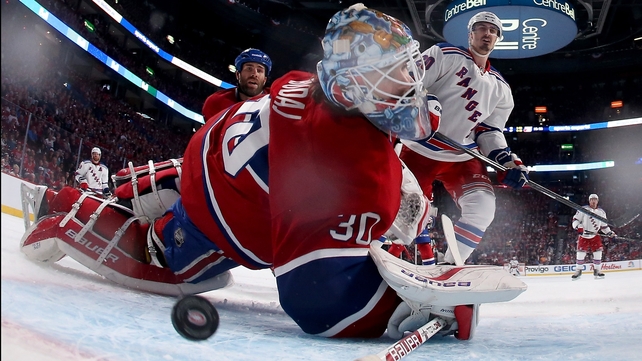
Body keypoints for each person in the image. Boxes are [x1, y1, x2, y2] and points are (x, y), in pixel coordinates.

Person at [20, 4, 524, 341]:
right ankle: (68, 213)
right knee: (189, 276)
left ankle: (153, 187)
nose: (412, 83)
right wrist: (399, 311)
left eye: (409, 68)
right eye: (396, 76)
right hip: (214, 213)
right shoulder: (347, 176)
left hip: (224, 153)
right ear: (351, 91)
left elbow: (316, 135)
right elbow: (318, 302)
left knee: (392, 200)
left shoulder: (308, 82)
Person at [398, 11, 530, 265]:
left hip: (461, 156)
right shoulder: (444, 54)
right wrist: (421, 106)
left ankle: (450, 265)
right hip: (417, 150)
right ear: (470, 34)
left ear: (498, 38)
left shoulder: (501, 89)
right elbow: (407, 83)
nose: (487, 34)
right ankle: (388, 263)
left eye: (493, 31)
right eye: (481, 28)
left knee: (483, 208)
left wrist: (507, 162)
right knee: (403, 214)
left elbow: (489, 131)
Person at [201, 48, 272, 121]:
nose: (254, 74)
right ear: (238, 75)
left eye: (259, 70)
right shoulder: (216, 102)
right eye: (249, 69)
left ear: (264, 80)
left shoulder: (274, 102)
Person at [571, 194, 616, 280]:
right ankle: (578, 271)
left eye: (595, 199)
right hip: (584, 236)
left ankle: (597, 271)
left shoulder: (601, 212)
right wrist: (578, 227)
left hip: (595, 235)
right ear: (589, 201)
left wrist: (610, 233)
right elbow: (575, 220)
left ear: (597, 201)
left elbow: (604, 226)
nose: (593, 201)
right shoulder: (583, 209)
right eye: (592, 199)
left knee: (598, 254)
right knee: (580, 254)